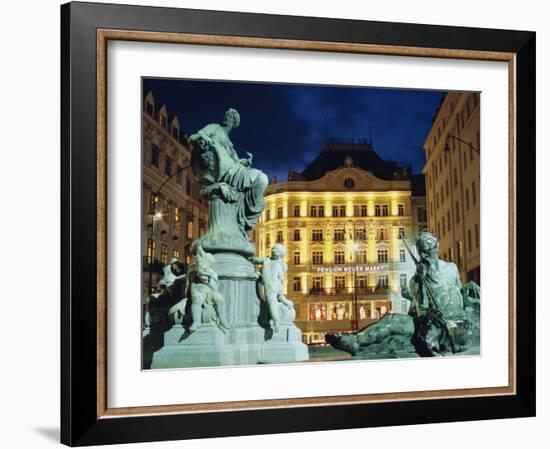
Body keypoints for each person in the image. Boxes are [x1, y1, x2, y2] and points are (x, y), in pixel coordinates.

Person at [250, 244, 294, 331]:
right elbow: (282, 277)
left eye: (275, 250)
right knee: (279, 296)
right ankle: (288, 303)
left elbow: (255, 260)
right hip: (276, 285)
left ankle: (276, 320)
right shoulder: (280, 264)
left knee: (272, 302)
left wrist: (250, 259)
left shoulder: (266, 261)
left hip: (270, 286)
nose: (274, 250)